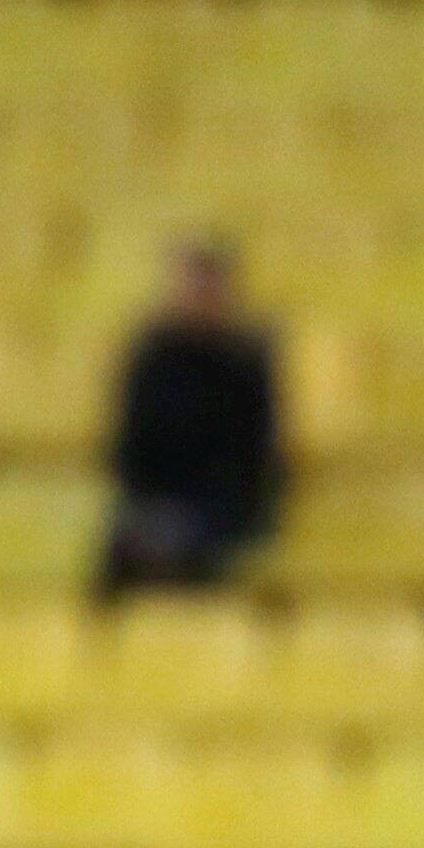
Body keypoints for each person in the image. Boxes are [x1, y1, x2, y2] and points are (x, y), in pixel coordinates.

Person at [93, 237, 282, 596]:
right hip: (159, 502)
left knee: (183, 549)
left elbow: (253, 457)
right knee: (122, 548)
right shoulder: (151, 359)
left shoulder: (244, 363)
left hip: (223, 507)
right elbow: (131, 447)